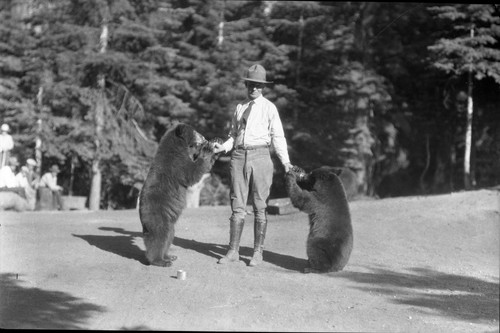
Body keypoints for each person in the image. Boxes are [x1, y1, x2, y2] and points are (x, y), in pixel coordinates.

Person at [213, 64, 292, 267]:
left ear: (263, 87)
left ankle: (258, 253)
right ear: (246, 84)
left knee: (260, 205)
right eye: (250, 84)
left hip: (261, 156)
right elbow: (233, 135)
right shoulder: (240, 107)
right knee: (237, 205)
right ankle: (233, 251)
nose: (253, 88)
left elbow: (278, 137)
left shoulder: (269, 108)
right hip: (239, 156)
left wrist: (286, 163)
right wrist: (222, 147)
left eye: (257, 85)